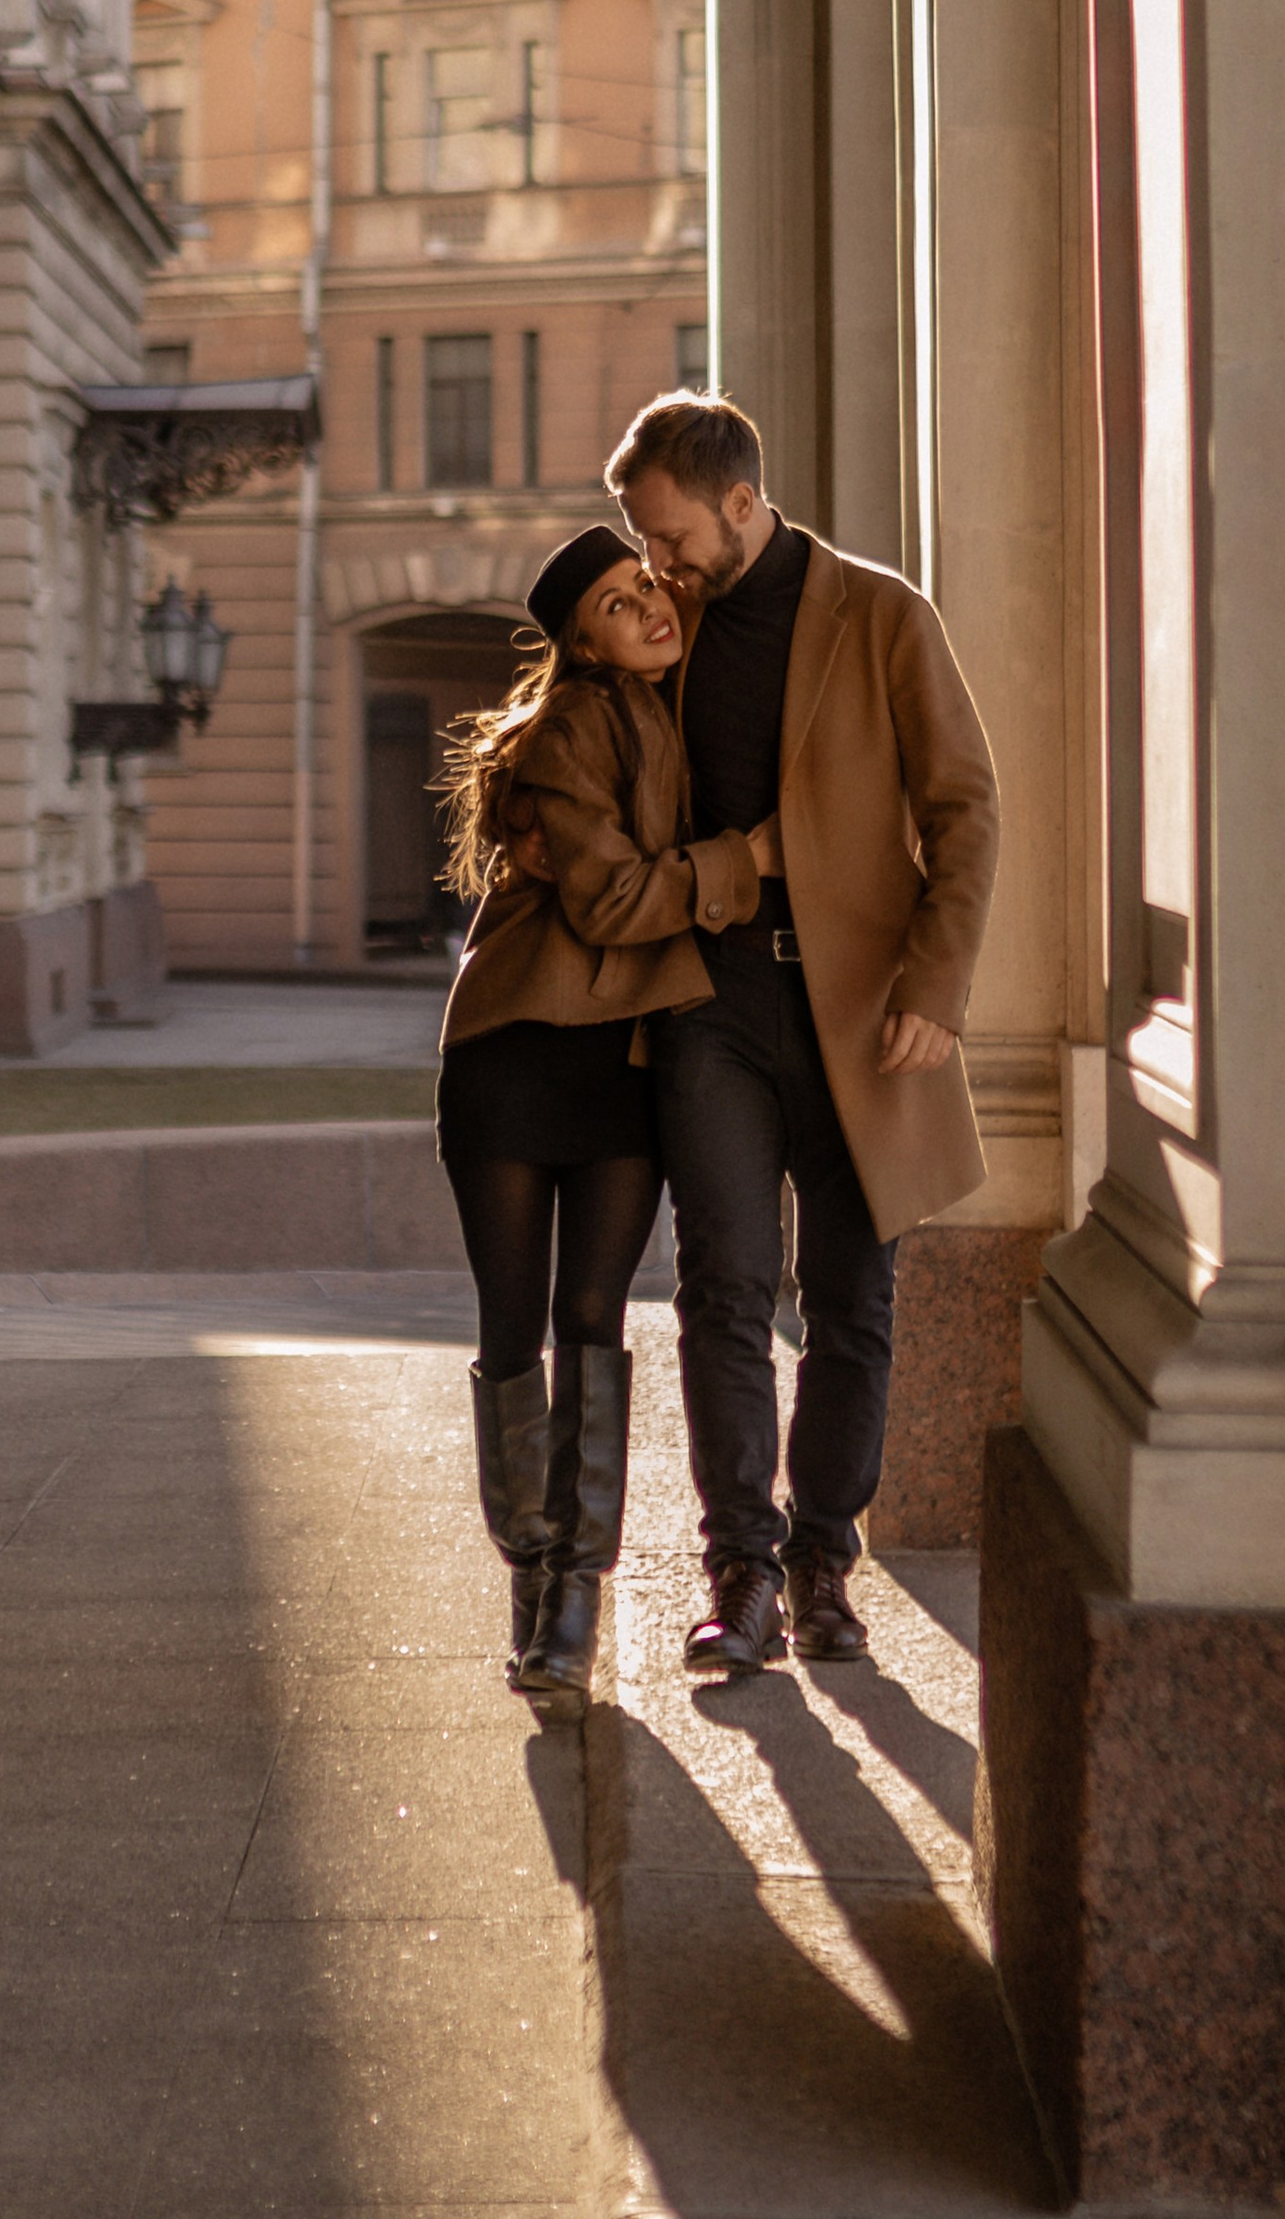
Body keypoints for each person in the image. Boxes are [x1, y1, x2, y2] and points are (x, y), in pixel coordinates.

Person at [606, 390, 999, 1676]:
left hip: (859, 1014)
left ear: (737, 500)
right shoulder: (671, 630)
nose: (655, 564)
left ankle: (826, 1564)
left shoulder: (883, 615)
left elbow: (964, 809)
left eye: (669, 536)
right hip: (710, 1004)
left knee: (851, 1299)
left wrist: (934, 989)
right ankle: (741, 1573)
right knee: (720, 1289)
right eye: (642, 543)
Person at [435, 523, 778, 1720]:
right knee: (521, 1325)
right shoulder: (575, 727)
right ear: (579, 638)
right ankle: (540, 1589)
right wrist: (745, 861)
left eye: (651, 588)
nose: (650, 608)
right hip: (519, 1057)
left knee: (590, 1317)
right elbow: (614, 898)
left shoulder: (665, 708)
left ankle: (567, 1595)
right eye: (621, 601)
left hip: (624, 1060)